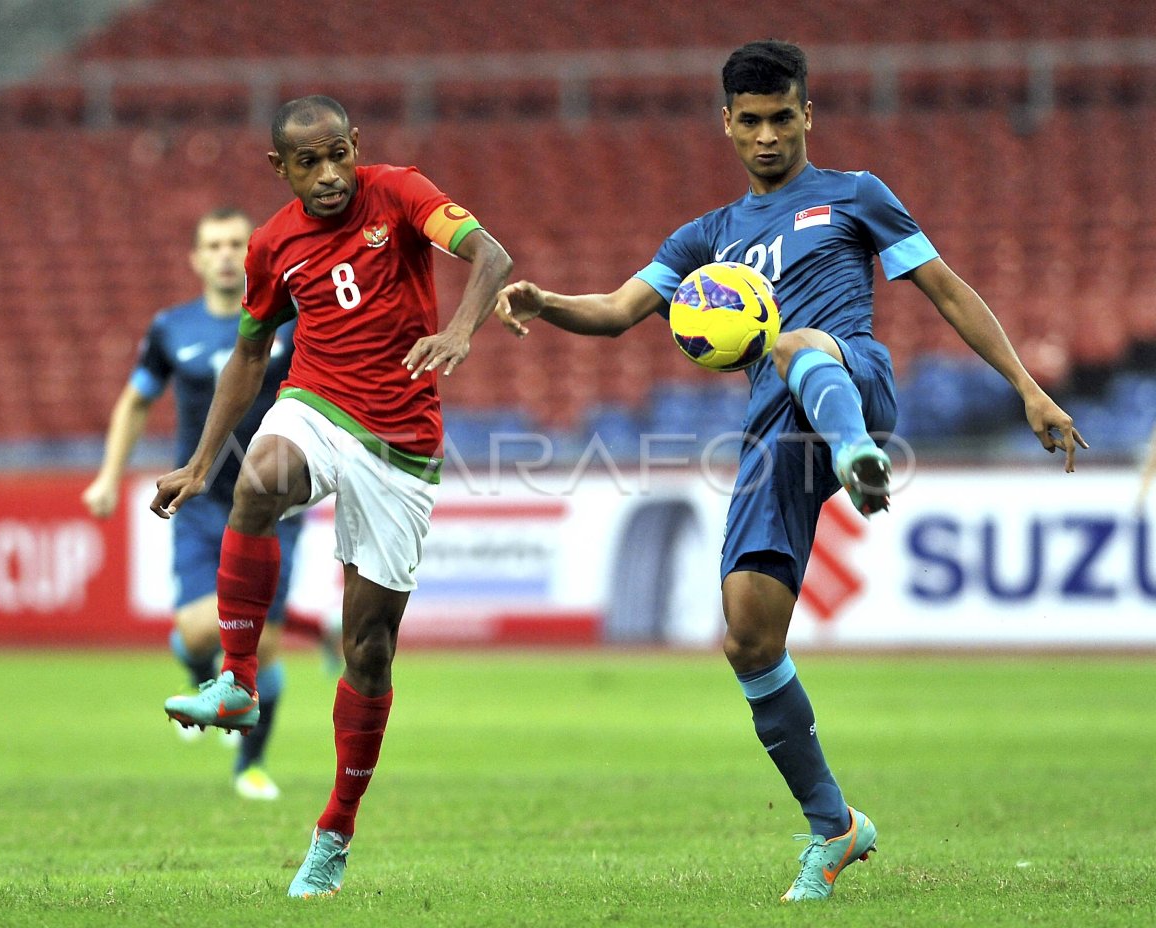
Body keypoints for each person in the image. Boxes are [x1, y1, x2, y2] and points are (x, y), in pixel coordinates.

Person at [495, 40, 1087, 902]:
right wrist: (546, 302)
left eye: (782, 118)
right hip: (775, 434)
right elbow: (620, 310)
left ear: (807, 114)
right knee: (747, 638)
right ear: (727, 124)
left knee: (798, 343)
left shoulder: (856, 195)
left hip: (855, 378)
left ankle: (856, 456)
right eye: (751, 122)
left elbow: (948, 289)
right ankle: (834, 826)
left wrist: (1027, 388)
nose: (768, 136)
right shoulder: (707, 237)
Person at [149, 95, 512, 898]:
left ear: (356, 145)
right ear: (279, 168)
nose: (328, 175)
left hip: (402, 442)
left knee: (369, 651)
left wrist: (460, 330)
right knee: (259, 481)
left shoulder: (400, 191)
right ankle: (239, 683)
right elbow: (250, 356)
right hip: (317, 403)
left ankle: (335, 831)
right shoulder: (272, 244)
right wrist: (202, 463)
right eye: (308, 162)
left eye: (338, 154)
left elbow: (491, 255)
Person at [83, 206, 315, 802]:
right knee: (195, 631)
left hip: (274, 503)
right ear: (195, 258)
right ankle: (198, 674)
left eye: (235, 243)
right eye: (213, 245)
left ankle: (249, 766)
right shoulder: (171, 328)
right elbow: (135, 401)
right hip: (201, 501)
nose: (225, 255)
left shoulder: (290, 321)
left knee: (262, 643)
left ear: (253, 254)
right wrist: (109, 476)